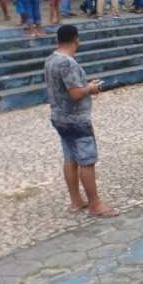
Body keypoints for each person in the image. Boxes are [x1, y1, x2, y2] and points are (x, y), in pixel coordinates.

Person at [43, 24, 118, 218]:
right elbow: (76, 93)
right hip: (75, 118)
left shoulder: (51, 59)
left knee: (70, 158)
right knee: (87, 160)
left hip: (59, 116)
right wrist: (91, 88)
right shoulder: (68, 63)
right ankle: (95, 204)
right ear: (76, 39)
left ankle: (76, 201)